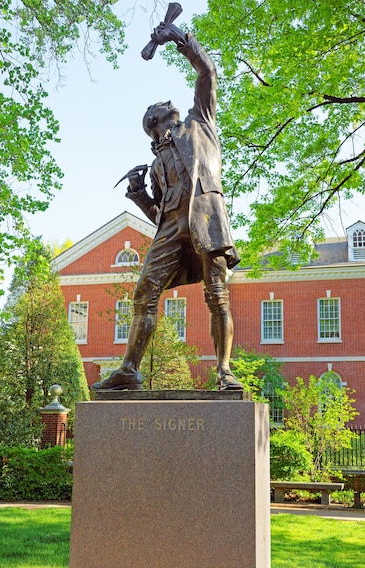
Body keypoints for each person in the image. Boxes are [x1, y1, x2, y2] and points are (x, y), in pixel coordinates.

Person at [92, 21, 243, 392]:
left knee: (216, 293)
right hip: (172, 228)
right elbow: (159, 213)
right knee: (145, 291)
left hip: (207, 219)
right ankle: (129, 370)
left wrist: (178, 36)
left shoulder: (200, 123)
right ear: (154, 122)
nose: (172, 103)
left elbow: (207, 71)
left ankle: (225, 372)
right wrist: (139, 192)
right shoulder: (157, 165)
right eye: (164, 106)